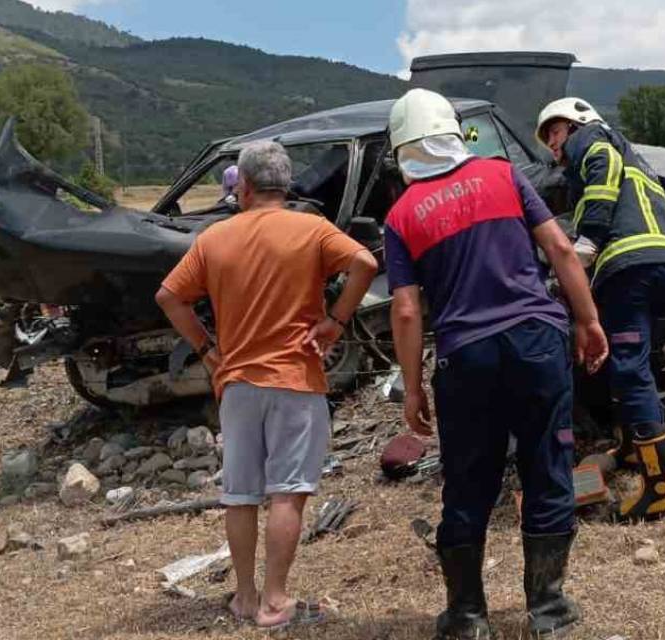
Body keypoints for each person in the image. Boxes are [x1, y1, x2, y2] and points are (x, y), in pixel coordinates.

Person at [384, 88, 608, 639]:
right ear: (454, 133)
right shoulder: (503, 175)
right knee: (546, 468)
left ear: (401, 149)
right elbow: (559, 248)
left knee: (467, 481)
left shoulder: (401, 215)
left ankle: (466, 617)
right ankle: (548, 611)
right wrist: (588, 320)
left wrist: (412, 390)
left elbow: (407, 308)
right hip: (536, 341)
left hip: (466, 358)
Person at [155, 140, 378, 629]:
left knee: (240, 494)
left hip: (236, 383)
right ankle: (276, 601)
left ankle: (245, 597)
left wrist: (208, 353)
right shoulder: (313, 229)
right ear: (285, 185)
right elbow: (365, 263)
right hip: (297, 379)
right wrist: (337, 321)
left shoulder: (215, 238)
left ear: (246, 187)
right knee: (287, 493)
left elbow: (169, 296)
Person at [536, 97, 665, 522]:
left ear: (578, 122)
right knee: (632, 360)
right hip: (664, 259)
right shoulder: (635, 156)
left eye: (555, 130)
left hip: (629, 262)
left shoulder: (595, 140)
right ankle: (630, 446)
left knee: (627, 369)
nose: (552, 142)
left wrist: (587, 240)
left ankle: (662, 488)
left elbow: (601, 170)